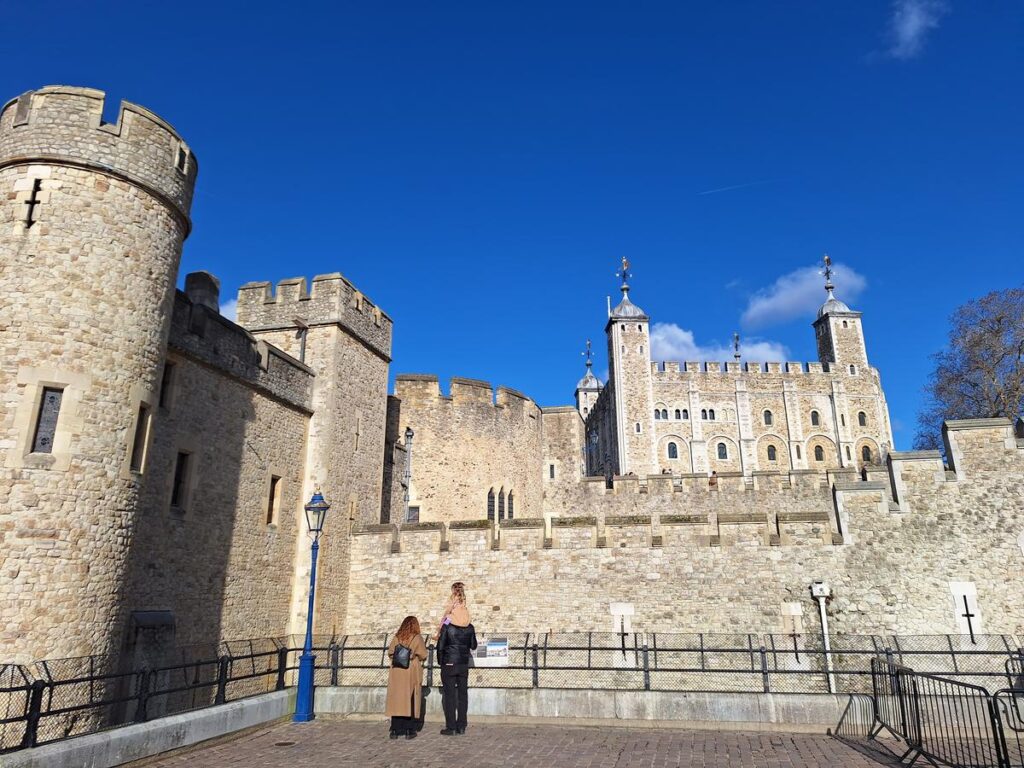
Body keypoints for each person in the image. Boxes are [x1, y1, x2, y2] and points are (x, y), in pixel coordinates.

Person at [385, 615, 427, 740]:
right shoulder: (416, 638)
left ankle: (395, 730)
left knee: (397, 700)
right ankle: (409, 730)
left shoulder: (397, 637)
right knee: (410, 699)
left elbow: (390, 652)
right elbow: (423, 654)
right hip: (410, 670)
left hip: (397, 671)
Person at [436, 617, 477, 735]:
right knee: (462, 696)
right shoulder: (469, 626)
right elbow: (473, 645)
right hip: (463, 664)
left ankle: (451, 727)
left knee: (449, 696)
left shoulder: (447, 624)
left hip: (449, 663)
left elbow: (440, 645)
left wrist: (441, 662)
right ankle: (461, 726)